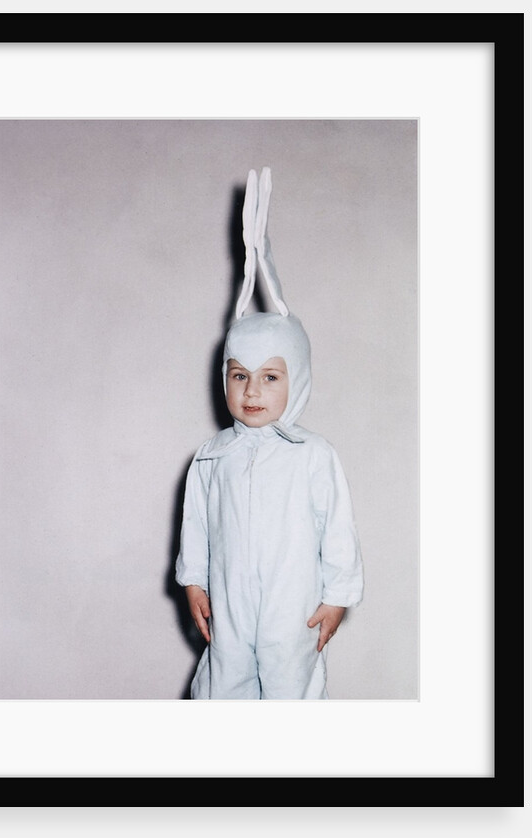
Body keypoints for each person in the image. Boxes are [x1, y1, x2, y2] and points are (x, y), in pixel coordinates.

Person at [175, 167, 363, 699]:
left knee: (290, 684)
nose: (252, 391)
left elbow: (337, 530)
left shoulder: (314, 455)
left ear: (297, 379)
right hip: (230, 601)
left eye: (270, 377)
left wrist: (338, 595)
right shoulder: (212, 457)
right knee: (225, 678)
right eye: (240, 376)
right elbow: (196, 524)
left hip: (293, 605)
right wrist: (193, 581)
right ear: (225, 378)